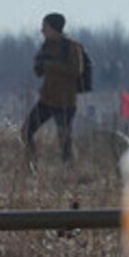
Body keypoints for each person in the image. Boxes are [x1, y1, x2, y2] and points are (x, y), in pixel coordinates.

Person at [23, 12, 85, 165]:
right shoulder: (46, 46)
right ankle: (32, 166)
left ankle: (69, 171)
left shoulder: (71, 47)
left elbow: (76, 70)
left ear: (54, 28)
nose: (42, 30)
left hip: (65, 102)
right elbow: (38, 73)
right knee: (26, 131)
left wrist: (51, 65)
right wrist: (39, 63)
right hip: (47, 100)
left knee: (64, 141)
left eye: (45, 27)